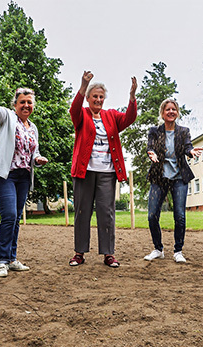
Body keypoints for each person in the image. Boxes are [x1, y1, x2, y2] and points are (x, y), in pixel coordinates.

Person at [0, 57, 48, 277]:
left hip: (23, 176)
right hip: (3, 174)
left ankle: (11, 258)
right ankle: (2, 260)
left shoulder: (33, 128)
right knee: (10, 214)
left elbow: (33, 151)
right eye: (22, 102)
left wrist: (38, 158)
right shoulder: (6, 118)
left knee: (16, 218)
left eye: (29, 102)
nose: (26, 105)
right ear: (15, 104)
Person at [68, 71, 137, 268]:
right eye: (94, 96)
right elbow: (74, 109)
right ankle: (79, 253)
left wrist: (132, 97)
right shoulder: (81, 114)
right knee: (82, 212)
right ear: (88, 98)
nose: (98, 99)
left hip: (107, 172)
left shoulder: (111, 116)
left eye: (101, 97)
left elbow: (130, 118)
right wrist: (83, 86)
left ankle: (108, 254)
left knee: (106, 213)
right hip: (84, 171)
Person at [144, 98, 202, 263]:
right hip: (159, 177)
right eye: (167, 109)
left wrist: (191, 153)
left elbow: (187, 147)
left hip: (178, 177)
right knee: (152, 215)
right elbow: (150, 147)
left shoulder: (183, 131)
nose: (171, 112)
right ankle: (158, 249)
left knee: (180, 216)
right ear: (162, 113)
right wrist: (151, 153)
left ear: (177, 113)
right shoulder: (155, 131)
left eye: (174, 109)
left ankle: (178, 251)